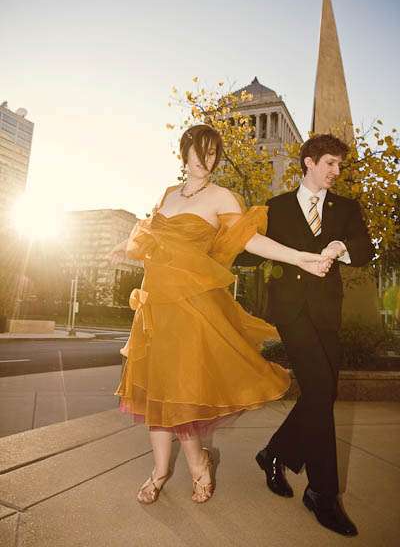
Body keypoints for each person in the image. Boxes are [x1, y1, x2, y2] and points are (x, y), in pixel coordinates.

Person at [110, 125, 333, 505]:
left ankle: (196, 464)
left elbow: (250, 239)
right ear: (184, 152)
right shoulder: (167, 194)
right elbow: (150, 233)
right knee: (155, 393)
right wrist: (120, 246)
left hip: (191, 311)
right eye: (200, 151)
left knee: (179, 393)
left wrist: (299, 257)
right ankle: (161, 470)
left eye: (213, 153)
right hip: (153, 307)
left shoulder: (221, 197)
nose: (206, 160)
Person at [235, 134, 374, 537]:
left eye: (339, 165)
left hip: (327, 312)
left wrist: (341, 246)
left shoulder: (346, 208)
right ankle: (322, 493)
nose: (336, 171)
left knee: (322, 392)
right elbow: (249, 251)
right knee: (320, 390)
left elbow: (365, 250)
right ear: (309, 162)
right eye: (330, 163)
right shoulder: (275, 207)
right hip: (290, 312)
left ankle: (274, 453)